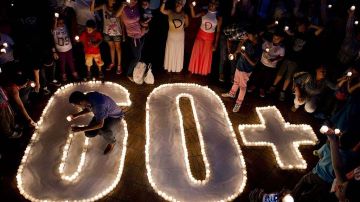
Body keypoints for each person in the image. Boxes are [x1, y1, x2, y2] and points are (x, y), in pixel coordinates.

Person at [291, 129, 358, 202]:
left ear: (339, 140)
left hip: (316, 174)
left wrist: (317, 152)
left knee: (304, 180)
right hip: (327, 182)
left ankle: (293, 196)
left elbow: (318, 154)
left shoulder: (327, 147)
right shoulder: (350, 157)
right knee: (315, 193)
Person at [269, 18, 324, 101]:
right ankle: (273, 86)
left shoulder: (309, 36)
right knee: (280, 72)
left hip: (296, 60)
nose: (300, 28)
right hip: (288, 57)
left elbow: (321, 29)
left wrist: (311, 25)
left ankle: (282, 92)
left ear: (305, 27)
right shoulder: (295, 33)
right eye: (299, 26)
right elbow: (287, 32)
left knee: (289, 76)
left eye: (302, 26)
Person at [222, 27, 262, 112]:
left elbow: (254, 63)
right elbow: (240, 50)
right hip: (240, 65)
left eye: (249, 35)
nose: (247, 36)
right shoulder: (247, 42)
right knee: (236, 81)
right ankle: (232, 94)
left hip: (246, 70)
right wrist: (242, 41)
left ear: (255, 36)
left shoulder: (258, 48)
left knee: (242, 86)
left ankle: (238, 103)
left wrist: (246, 56)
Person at [188, 0, 222, 76]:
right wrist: (191, 8)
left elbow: (218, 32)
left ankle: (202, 72)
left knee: (205, 55)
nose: (211, 5)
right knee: (196, 53)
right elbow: (194, 16)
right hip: (200, 36)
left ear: (217, 5)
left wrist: (215, 45)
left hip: (210, 38)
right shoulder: (204, 12)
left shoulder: (218, 17)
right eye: (211, 3)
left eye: (213, 3)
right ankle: (192, 70)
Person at [249, 30, 285, 98]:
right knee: (257, 75)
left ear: (281, 39)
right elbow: (262, 49)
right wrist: (265, 51)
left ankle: (262, 89)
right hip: (262, 62)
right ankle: (253, 85)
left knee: (266, 78)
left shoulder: (281, 48)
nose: (275, 40)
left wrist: (274, 59)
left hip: (271, 66)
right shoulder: (267, 43)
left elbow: (281, 57)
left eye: (277, 39)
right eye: (274, 38)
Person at [91, 0, 123, 74]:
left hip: (117, 32)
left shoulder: (118, 7)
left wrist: (123, 33)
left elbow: (121, 21)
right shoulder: (104, 6)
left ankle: (119, 65)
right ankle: (112, 63)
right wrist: (93, 1)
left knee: (118, 48)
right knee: (111, 47)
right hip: (107, 32)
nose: (114, 0)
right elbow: (92, 10)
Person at [117, 0, 145, 81]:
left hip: (141, 34)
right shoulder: (123, 9)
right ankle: (129, 74)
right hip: (133, 37)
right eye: (132, 0)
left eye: (136, 0)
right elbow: (116, 15)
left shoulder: (136, 7)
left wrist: (144, 25)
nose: (134, 2)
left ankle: (138, 73)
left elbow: (139, 20)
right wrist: (123, 5)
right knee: (137, 57)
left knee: (139, 56)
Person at [161, 0, 188, 73]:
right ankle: (168, 67)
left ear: (183, 5)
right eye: (177, 2)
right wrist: (164, 2)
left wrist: (179, 29)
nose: (178, 4)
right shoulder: (170, 12)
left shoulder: (184, 14)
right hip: (171, 36)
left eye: (180, 3)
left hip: (180, 36)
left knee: (178, 51)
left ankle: (178, 68)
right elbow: (162, 10)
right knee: (170, 50)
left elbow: (187, 24)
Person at [52, 15, 78, 82]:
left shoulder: (65, 27)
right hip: (61, 50)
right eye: (59, 23)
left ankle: (74, 72)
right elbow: (54, 28)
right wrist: (56, 20)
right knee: (62, 63)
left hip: (69, 48)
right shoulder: (55, 30)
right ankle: (63, 74)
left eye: (62, 22)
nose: (61, 24)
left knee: (71, 61)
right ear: (56, 23)